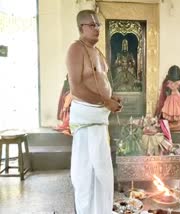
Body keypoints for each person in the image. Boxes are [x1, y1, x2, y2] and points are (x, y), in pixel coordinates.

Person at [66, 10, 122, 214]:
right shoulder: (76, 49)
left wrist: (111, 98)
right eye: (92, 25)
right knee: (85, 175)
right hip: (87, 120)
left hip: (99, 119)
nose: (98, 28)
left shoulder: (97, 52)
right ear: (82, 27)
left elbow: (101, 83)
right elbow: (76, 88)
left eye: (98, 24)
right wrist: (105, 101)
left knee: (103, 175)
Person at [155, 65, 180, 131]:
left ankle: (175, 124)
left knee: (177, 109)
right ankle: (171, 124)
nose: (173, 85)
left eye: (175, 83)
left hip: (178, 102)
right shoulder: (166, 83)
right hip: (170, 103)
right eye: (171, 82)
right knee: (170, 105)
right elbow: (162, 97)